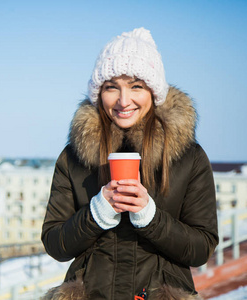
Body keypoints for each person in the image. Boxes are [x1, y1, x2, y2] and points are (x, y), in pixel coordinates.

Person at [41, 27, 218, 300]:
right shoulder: (74, 156)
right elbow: (56, 244)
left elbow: (201, 249)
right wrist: (96, 214)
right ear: (99, 93)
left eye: (136, 86)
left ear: (153, 92)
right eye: (112, 87)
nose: (124, 101)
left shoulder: (188, 157)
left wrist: (150, 217)